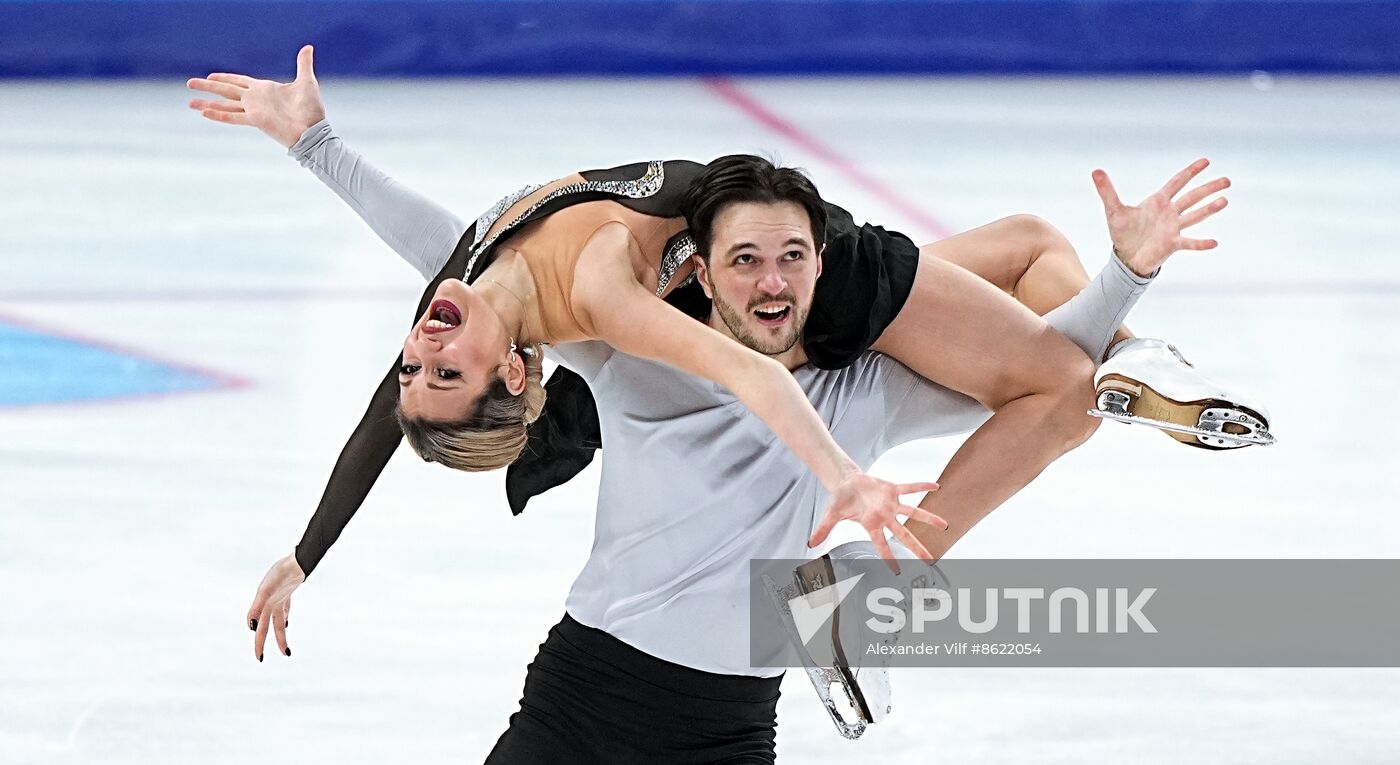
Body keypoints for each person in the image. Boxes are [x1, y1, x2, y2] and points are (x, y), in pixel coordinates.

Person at [223, 113, 1187, 761]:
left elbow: (1048, 377)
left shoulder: (868, 376)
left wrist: (1127, 285)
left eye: (784, 262)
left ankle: (859, 591)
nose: (766, 280)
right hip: (584, 700)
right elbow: (459, 262)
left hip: (725, 727)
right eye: (745, 261)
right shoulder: (622, 358)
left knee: (1033, 298)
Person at [189, 47, 1232, 579]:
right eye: (445, 369)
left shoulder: (469, 271)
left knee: (1019, 243)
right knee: (1056, 382)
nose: (417, 350)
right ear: (512, 372)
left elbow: (388, 416)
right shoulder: (591, 291)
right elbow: (748, 372)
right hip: (810, 282)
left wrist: (313, 146)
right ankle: (876, 587)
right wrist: (843, 479)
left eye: (413, 363)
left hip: (786, 257)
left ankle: (1133, 360)